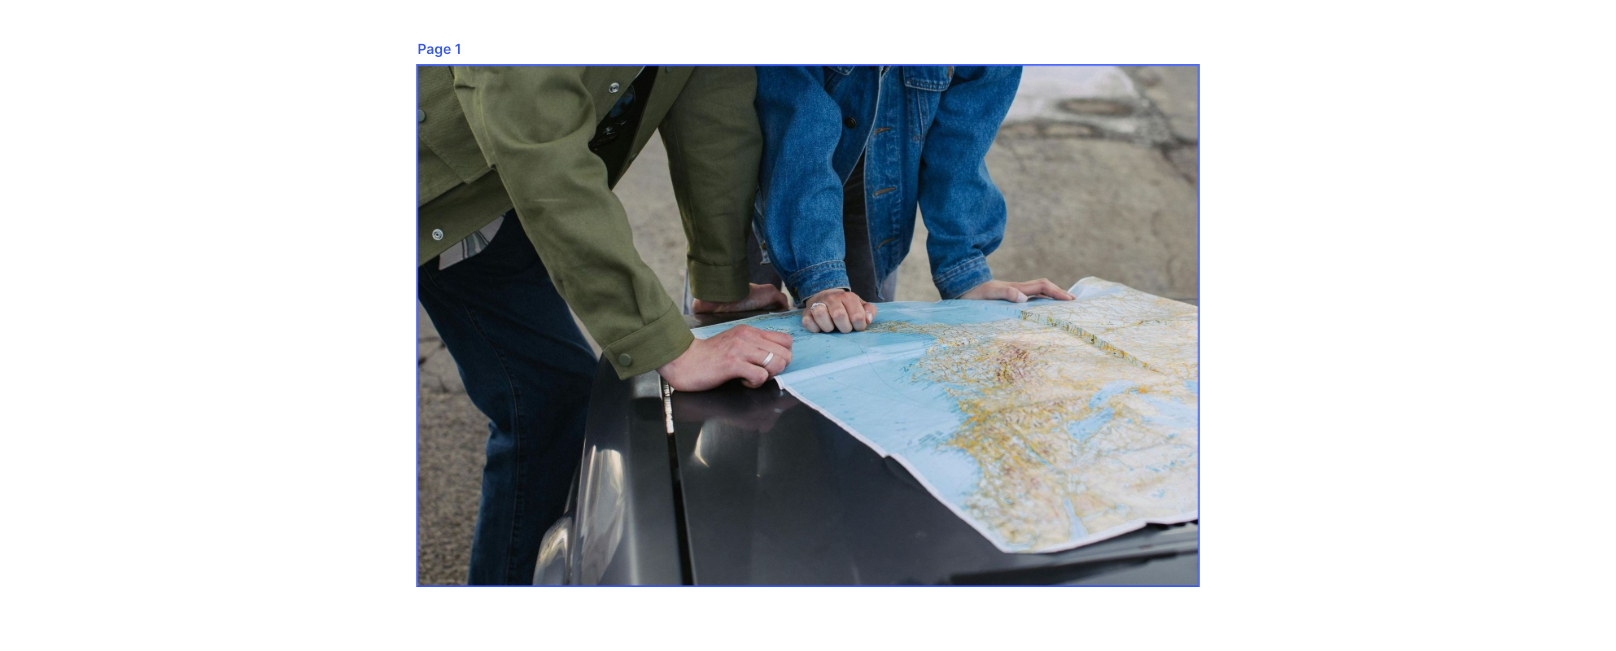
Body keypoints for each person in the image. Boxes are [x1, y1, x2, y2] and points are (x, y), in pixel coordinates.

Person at [417, 66, 791, 584]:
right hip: (453, 192)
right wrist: (664, 344)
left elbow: (713, 103)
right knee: (547, 399)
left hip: (518, 183)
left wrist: (721, 274)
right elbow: (536, 143)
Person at [749, 66, 1075, 334]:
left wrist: (965, 270)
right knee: (739, 323)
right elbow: (799, 121)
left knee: (858, 328)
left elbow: (961, 143)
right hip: (760, 166)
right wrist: (820, 279)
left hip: (875, 181)